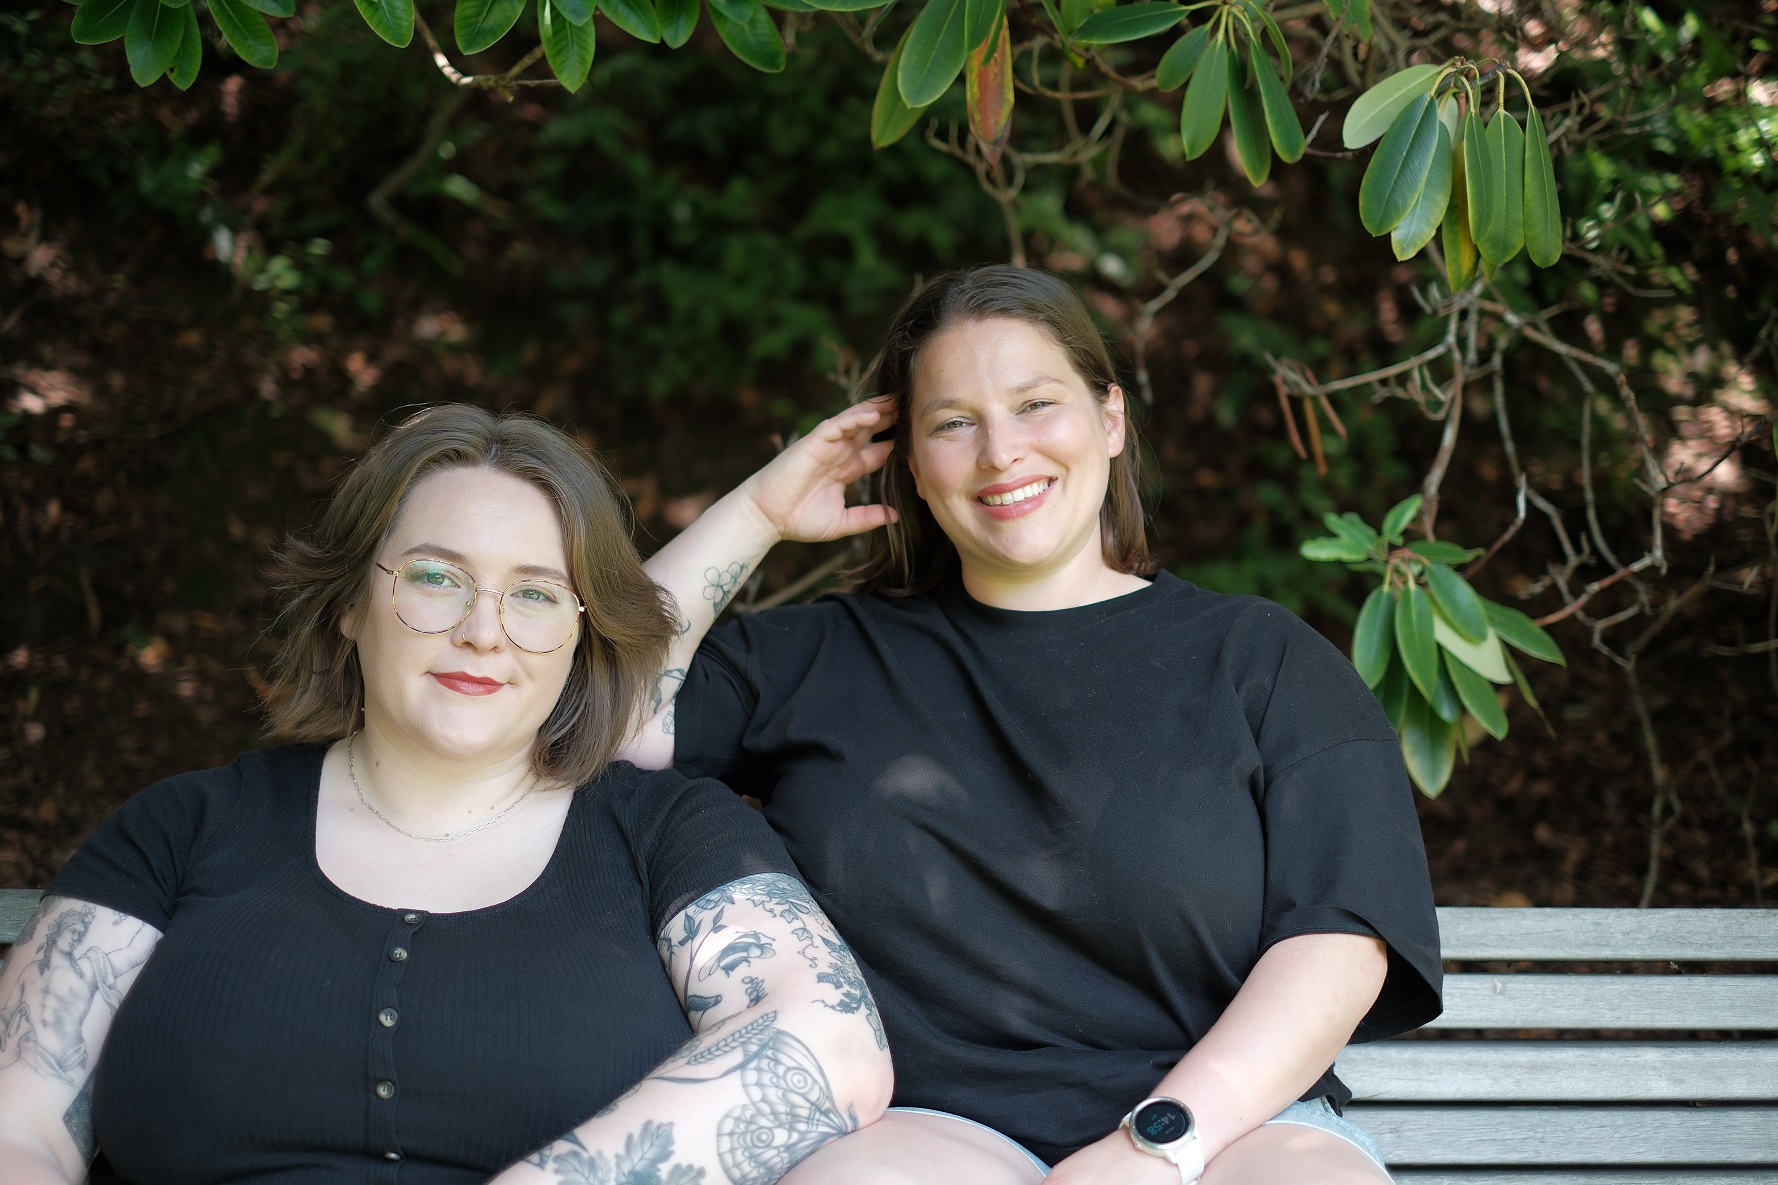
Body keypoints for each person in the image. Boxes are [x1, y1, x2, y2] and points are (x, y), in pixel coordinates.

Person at [623, 267, 1443, 1185]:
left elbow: (1341, 940)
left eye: (1035, 403)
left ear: (1111, 419)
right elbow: (597, 728)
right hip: (923, 1129)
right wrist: (760, 511)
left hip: (1230, 1130)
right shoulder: (815, 658)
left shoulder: (1262, 661)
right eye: (952, 422)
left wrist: (1155, 1148)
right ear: (912, 463)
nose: (1000, 451)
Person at [0, 406, 891, 1185]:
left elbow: (828, 1041)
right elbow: (23, 1121)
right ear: (351, 600)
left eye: (536, 595)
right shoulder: (185, 828)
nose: (481, 631)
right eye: (435, 577)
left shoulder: (666, 835)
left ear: (581, 639)